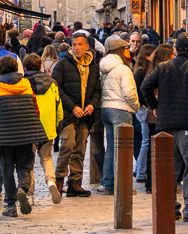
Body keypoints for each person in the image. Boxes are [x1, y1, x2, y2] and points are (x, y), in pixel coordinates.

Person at [141, 32, 188, 222]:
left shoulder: (163, 67)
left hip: (166, 123)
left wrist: (155, 106)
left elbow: (146, 86)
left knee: (169, 168)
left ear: (176, 50)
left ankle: (169, 207)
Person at [0, 54, 47, 217]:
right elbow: (35, 107)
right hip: (26, 133)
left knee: (7, 169)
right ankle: (23, 189)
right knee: (24, 166)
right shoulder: (26, 84)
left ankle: (11, 205)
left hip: (5, 133)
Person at [52, 31, 101, 198]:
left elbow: (97, 90)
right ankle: (59, 179)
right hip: (68, 114)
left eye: (80, 44)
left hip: (86, 115)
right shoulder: (63, 64)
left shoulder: (92, 66)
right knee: (67, 145)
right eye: (74, 45)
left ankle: (75, 182)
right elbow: (57, 89)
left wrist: (92, 105)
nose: (77, 48)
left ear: (87, 46)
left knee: (80, 148)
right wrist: (72, 107)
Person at [98, 37, 139, 195]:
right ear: (121, 51)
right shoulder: (123, 69)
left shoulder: (104, 66)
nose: (129, 51)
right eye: (126, 49)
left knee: (111, 148)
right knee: (124, 149)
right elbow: (129, 92)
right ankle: (123, 184)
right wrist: (136, 106)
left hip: (106, 108)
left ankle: (109, 184)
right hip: (121, 109)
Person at [23, 53, 62, 205]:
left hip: (29, 126)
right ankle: (51, 182)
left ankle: (30, 195)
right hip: (47, 126)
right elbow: (58, 106)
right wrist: (57, 126)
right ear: (41, 66)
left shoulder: (23, 83)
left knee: (29, 162)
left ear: (25, 68)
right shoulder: (52, 83)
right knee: (46, 158)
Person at [132, 44, 156, 183]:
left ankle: (138, 169)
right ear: (147, 56)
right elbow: (139, 90)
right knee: (146, 140)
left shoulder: (141, 71)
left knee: (145, 140)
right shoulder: (143, 72)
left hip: (143, 108)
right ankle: (140, 172)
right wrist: (144, 104)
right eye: (154, 54)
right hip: (144, 109)